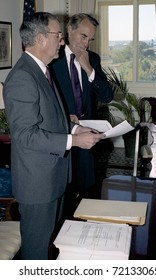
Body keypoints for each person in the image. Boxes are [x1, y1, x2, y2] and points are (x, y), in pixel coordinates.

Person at [3, 12, 104, 260]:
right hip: (38, 186)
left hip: (54, 180)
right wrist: (73, 141)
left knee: (51, 247)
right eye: (58, 35)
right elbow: (26, 135)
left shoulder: (42, 70)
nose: (62, 41)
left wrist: (76, 129)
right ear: (40, 38)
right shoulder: (23, 77)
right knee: (36, 255)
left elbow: (55, 119)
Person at [50, 13, 114, 216]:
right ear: (69, 30)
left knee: (90, 192)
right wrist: (63, 116)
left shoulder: (92, 59)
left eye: (90, 39)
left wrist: (88, 68)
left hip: (89, 136)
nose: (86, 43)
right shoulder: (52, 59)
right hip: (64, 135)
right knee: (65, 194)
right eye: (83, 36)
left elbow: (107, 95)